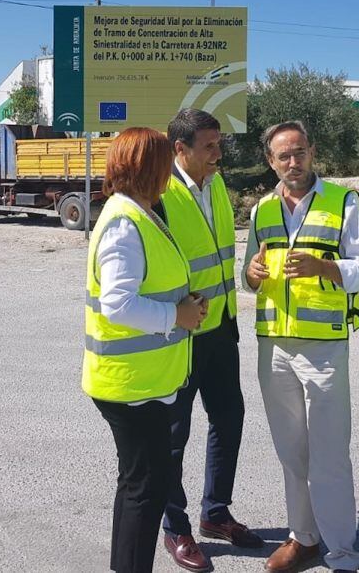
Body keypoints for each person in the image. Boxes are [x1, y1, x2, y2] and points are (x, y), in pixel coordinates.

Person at [242, 120, 359, 573]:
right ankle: (304, 538)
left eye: (299, 152)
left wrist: (325, 266)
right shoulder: (261, 209)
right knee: (291, 450)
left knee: (329, 452)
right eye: (284, 156)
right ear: (270, 161)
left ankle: (342, 552)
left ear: (312, 152)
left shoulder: (343, 201)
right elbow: (248, 276)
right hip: (274, 346)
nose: (293, 162)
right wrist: (251, 278)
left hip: (323, 348)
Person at [82, 127, 209, 573]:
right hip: (131, 386)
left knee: (138, 485)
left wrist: (185, 306)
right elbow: (119, 304)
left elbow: (151, 285)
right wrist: (176, 317)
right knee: (146, 489)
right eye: (164, 165)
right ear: (147, 167)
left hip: (143, 382)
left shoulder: (140, 213)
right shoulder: (123, 222)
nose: (170, 176)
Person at [155, 109, 263, 572]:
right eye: (209, 146)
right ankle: (174, 526)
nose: (219, 154)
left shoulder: (216, 183)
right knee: (173, 435)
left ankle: (215, 513)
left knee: (229, 419)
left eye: (220, 144)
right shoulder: (159, 192)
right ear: (180, 149)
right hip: (181, 335)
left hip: (220, 327)